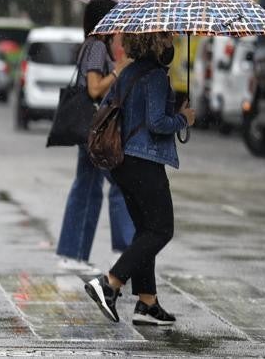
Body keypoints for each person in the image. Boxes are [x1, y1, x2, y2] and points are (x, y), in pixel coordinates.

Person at [85, 32, 194, 326]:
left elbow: (114, 108)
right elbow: (157, 123)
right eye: (167, 39)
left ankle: (147, 302)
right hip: (144, 162)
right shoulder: (156, 76)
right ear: (155, 43)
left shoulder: (128, 71)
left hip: (122, 162)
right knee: (161, 230)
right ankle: (110, 283)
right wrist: (184, 118)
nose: (171, 43)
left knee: (145, 229)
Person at [54, 0, 135, 273]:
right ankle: (122, 251)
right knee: (119, 184)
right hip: (96, 129)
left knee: (87, 188)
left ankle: (72, 254)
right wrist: (119, 71)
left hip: (89, 128)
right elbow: (93, 89)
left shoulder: (93, 45)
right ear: (105, 19)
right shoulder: (97, 46)